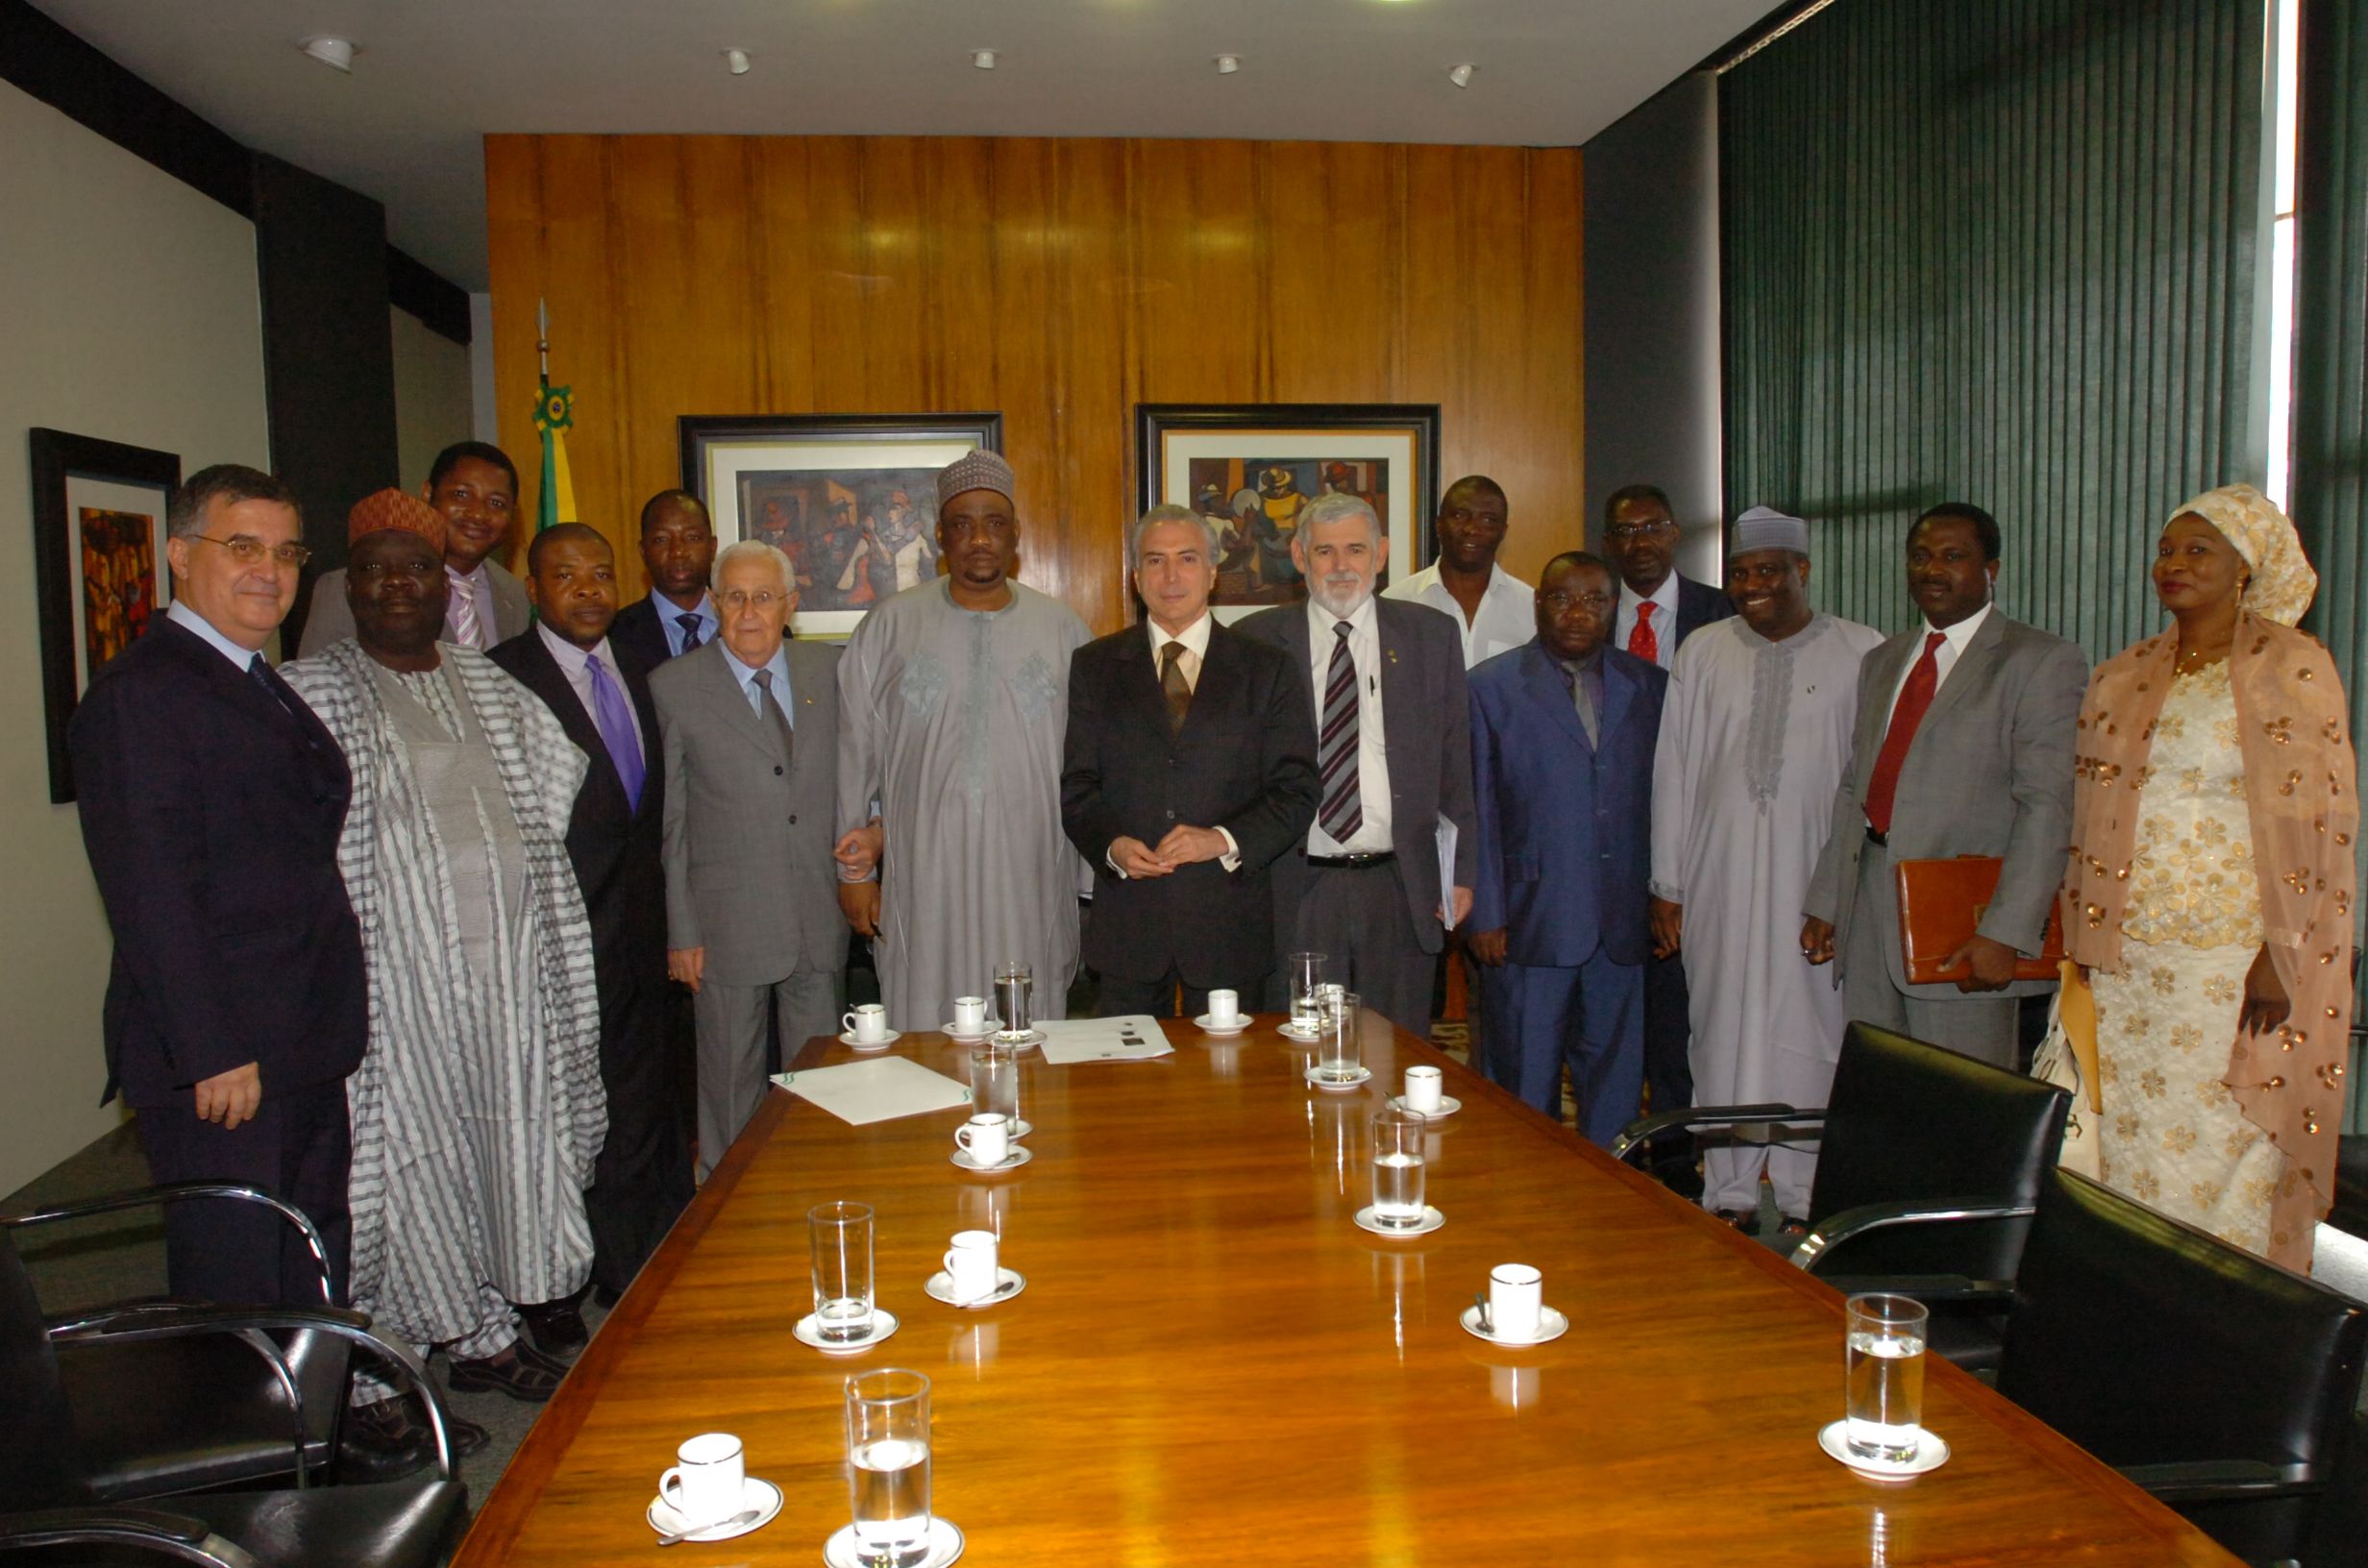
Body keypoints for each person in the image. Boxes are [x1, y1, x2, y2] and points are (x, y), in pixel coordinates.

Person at [283, 490, 604, 1419]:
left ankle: (485, 1331)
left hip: (508, 983)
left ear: (441, 581)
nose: (396, 584)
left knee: (504, 1148)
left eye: (415, 567)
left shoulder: (491, 686)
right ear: (347, 584)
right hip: (396, 995)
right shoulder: (310, 695)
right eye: (374, 568)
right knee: (407, 1168)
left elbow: (555, 790)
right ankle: (381, 1365)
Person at [69, 465, 364, 1310]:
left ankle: (313, 1398)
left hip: (299, 1036)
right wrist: (212, 1049)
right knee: (238, 1281)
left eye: (286, 552)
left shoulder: (251, 676)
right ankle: (256, 1403)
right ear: (178, 555)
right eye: (242, 547)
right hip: (227, 1061)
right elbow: (151, 890)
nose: (269, 571)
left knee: (309, 1256)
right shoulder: (142, 694)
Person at [2060, 485, 2355, 1271]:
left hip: (2229, 959)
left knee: (2222, 1140)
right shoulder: (2125, 675)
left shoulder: (2291, 669)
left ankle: (2222, 1304)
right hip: (2129, 959)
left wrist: (2280, 954)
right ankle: (2139, 1299)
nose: (2175, 564)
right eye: (2167, 549)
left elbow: (2319, 824)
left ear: (2246, 568)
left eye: (2199, 551)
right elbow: (2086, 819)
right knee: (2128, 1136)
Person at [1648, 506, 1885, 1234]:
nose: (1752, 585)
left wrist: (1844, 892)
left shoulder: (1863, 651)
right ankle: (1729, 1189)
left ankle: (1805, 1188)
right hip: (1715, 876)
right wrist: (1667, 885)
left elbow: (1871, 780)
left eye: (1769, 571)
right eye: (1741, 573)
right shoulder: (1702, 651)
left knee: (1813, 1029)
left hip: (1816, 883)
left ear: (1802, 571)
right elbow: (1673, 770)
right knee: (1718, 1024)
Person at [487, 525, 692, 1342]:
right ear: (533, 588)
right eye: (565, 576)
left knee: (653, 1096)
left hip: (651, 929)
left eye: (601, 574)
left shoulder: (647, 669)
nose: (587, 590)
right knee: (579, 1108)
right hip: (563, 936)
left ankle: (659, 1250)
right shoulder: (500, 678)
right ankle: (591, 1271)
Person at [1801, 504, 2088, 1066]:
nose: (1933, 569)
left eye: (1953, 556)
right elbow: (1857, 786)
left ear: (1991, 570)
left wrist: (2006, 932)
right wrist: (1828, 900)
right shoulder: (1884, 660)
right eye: (1920, 556)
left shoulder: (2039, 661)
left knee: (1961, 1095)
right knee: (1879, 1089)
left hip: (1965, 922)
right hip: (1870, 908)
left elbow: (2049, 808)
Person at [832, 451, 1091, 1030]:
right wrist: (856, 875)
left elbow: (1093, 766)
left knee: (1028, 1027)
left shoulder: (1065, 630)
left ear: (1016, 535)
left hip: (1030, 870)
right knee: (923, 1027)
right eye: (962, 524)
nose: (979, 539)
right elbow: (854, 754)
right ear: (939, 536)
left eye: (994, 524)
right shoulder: (888, 626)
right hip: (923, 870)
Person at [1063, 506, 1320, 1017]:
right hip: (1130, 925)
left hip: (1228, 919)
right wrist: (1112, 846)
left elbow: (1296, 788)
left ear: (1213, 572)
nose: (1171, 576)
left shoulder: (1267, 668)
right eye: (1155, 561)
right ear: (1136, 577)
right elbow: (1079, 785)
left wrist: (1221, 840)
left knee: (1230, 1067)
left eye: (1187, 559)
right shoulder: (1095, 666)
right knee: (1129, 1067)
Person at [1240, 493, 1478, 1035]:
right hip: (1296, 884)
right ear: (1298, 557)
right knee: (1298, 1049)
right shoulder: (1256, 641)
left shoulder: (1431, 636)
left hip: (1400, 883)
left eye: (1355, 549)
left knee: (1395, 1047)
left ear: (1381, 554)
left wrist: (1460, 874)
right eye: (1324, 551)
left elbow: (1455, 762)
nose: (1341, 566)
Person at [652, 540, 846, 1176]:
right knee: (729, 1089)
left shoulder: (829, 671)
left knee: (822, 1085)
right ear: (713, 604)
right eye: (734, 597)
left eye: (764, 597)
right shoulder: (674, 687)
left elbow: (860, 777)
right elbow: (672, 823)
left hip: (816, 913)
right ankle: (726, 1206)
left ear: (791, 604)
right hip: (724, 928)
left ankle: (817, 1192)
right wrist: (682, 932)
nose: (749, 613)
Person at [1467, 552, 1667, 1143]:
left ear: (1614, 607)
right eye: (1561, 598)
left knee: (1617, 1082)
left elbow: (1668, 799)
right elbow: (1475, 808)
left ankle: (1609, 1186)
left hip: (1623, 922)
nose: (1577, 613)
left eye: (1593, 600)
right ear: (1538, 604)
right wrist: (1485, 912)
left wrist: (1666, 894)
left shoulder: (1650, 686)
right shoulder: (1489, 687)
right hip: (1528, 919)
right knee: (1524, 1081)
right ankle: (1527, 1186)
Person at [1603, 482, 1735, 1195]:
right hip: (1609, 849)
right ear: (1608, 543)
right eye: (1625, 531)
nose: (1640, 543)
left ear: (1676, 532)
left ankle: (1680, 1169)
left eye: (1652, 527)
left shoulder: (1726, 612)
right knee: (1613, 1020)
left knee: (1680, 1015)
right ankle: (1613, 1157)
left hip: (1699, 845)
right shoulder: (1588, 613)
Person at [299, 441, 530, 654]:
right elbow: (315, 682)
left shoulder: (515, 595)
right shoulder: (352, 588)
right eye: (461, 494)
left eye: (496, 503)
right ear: (428, 494)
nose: (478, 514)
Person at [1382, 476, 1535, 669]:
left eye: (1488, 520)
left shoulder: (1530, 608)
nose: (1471, 529)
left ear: (1503, 532)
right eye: (1459, 516)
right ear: (1439, 525)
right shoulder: (1395, 602)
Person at [610, 489, 721, 667]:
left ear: (712, 547)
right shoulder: (613, 635)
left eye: (692, 537)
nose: (678, 551)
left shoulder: (747, 623)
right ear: (643, 552)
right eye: (661, 540)